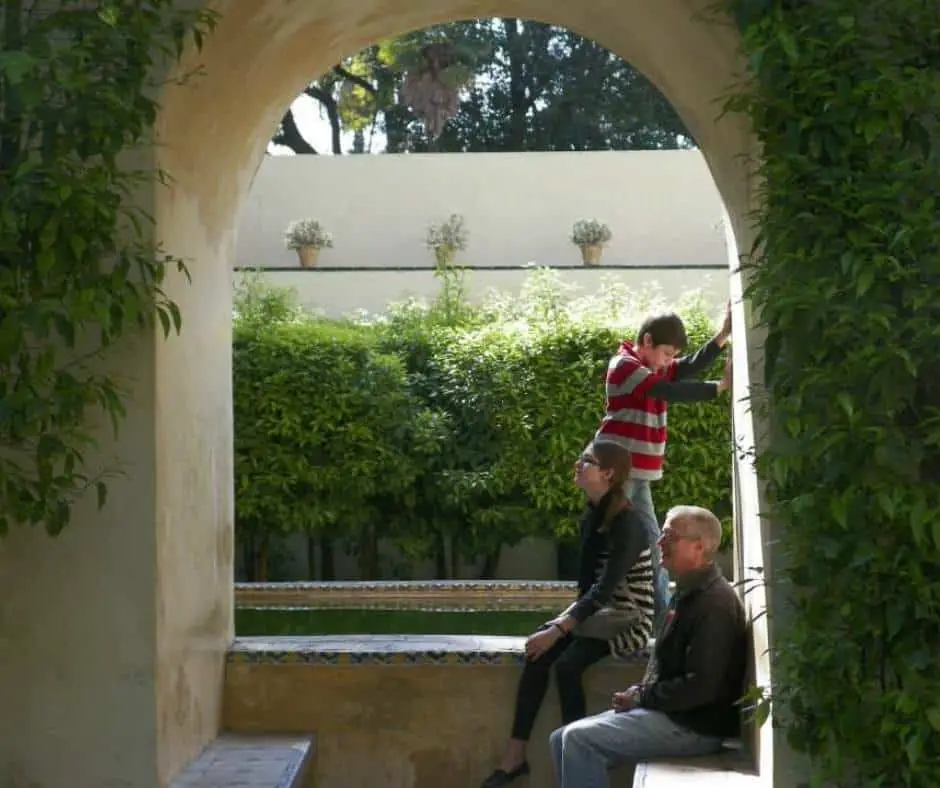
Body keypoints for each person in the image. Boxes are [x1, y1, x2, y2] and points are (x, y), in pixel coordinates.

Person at [480, 441, 655, 788]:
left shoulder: (628, 522)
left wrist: (560, 628)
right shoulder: (593, 515)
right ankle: (515, 758)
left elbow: (605, 591)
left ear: (607, 473)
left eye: (587, 460)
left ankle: (577, 759)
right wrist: (556, 628)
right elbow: (587, 589)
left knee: (567, 664)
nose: (578, 463)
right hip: (598, 614)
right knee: (537, 653)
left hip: (627, 619)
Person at [549, 505, 748, 788]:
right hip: (672, 714)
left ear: (698, 547)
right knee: (560, 738)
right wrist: (641, 695)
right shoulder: (689, 592)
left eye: (669, 536)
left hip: (694, 727)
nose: (660, 543)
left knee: (579, 741)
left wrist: (642, 697)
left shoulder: (714, 604)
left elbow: (702, 686)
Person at [595, 303, 733, 622]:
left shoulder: (648, 366)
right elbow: (666, 390)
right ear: (646, 342)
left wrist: (721, 336)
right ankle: (662, 616)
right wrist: (720, 388)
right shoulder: (626, 366)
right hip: (618, 473)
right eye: (667, 353)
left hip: (633, 475)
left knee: (647, 545)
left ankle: (656, 614)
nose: (670, 361)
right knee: (649, 545)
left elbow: (683, 369)